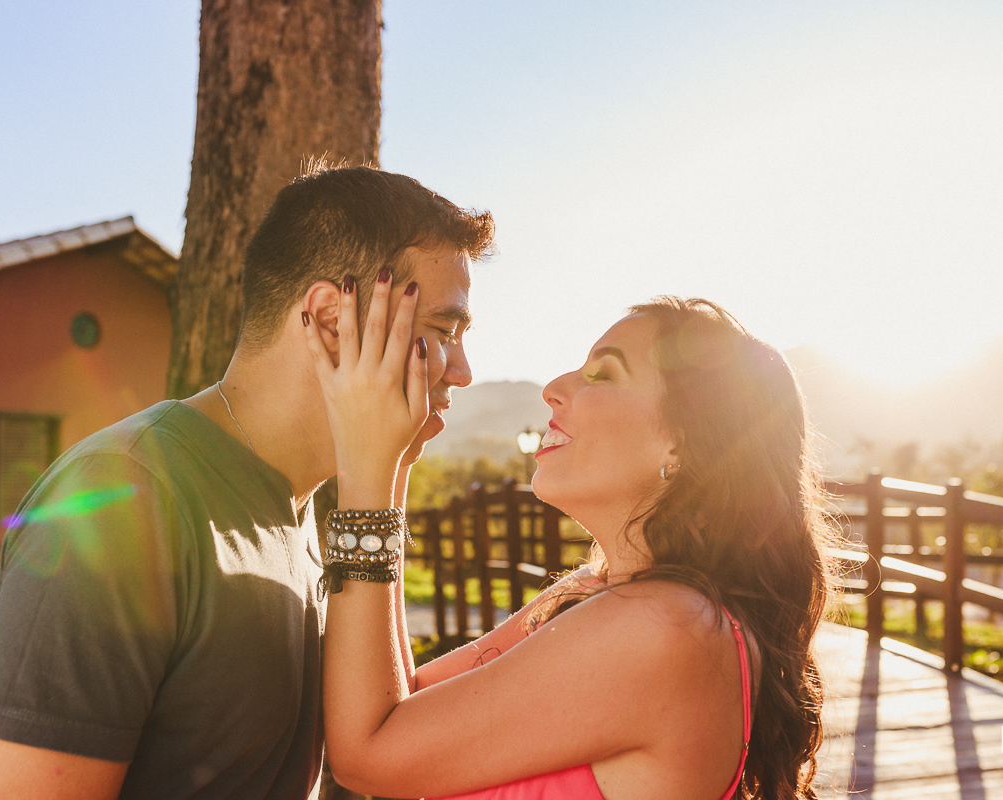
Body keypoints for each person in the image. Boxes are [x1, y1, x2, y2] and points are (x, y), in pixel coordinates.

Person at [0, 164, 495, 800]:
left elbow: (379, 751)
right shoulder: (125, 499)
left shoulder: (309, 512)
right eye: (442, 333)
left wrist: (386, 472)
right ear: (331, 319)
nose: (463, 370)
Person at [305, 288, 836, 799]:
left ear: (683, 442)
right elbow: (404, 702)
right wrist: (397, 458)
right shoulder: (603, 589)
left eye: (601, 374)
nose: (553, 387)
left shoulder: (669, 627)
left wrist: (367, 466)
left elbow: (369, 753)